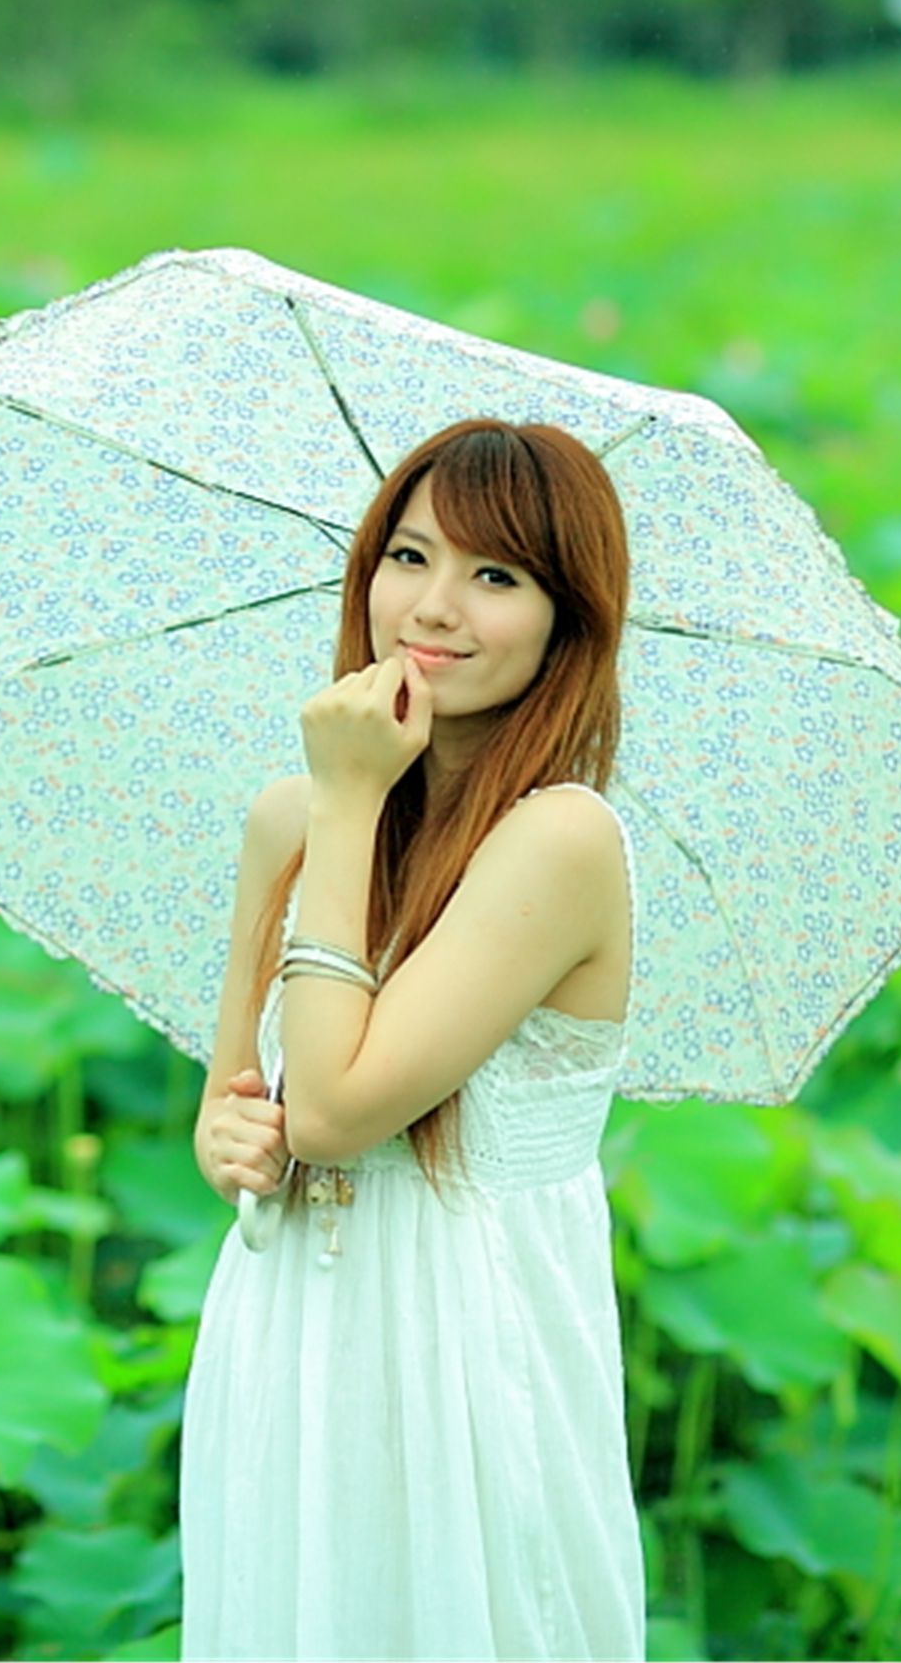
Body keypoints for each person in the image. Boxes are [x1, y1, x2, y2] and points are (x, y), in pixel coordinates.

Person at [178, 417, 646, 1661]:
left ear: (567, 621)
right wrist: (225, 1135)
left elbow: (334, 1110)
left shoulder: (562, 841)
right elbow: (250, 1107)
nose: (433, 607)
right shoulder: (287, 817)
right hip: (288, 1332)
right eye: (410, 556)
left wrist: (343, 800)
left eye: (497, 577)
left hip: (467, 1347)